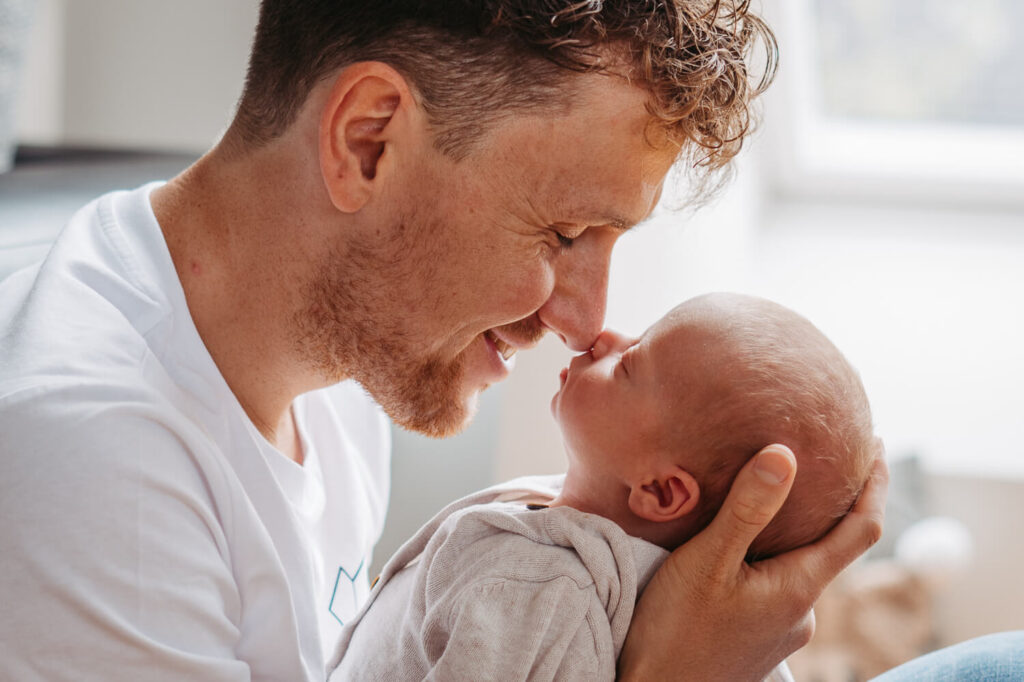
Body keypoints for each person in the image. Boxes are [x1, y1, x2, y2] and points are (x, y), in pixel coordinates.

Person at [1, 1, 1019, 680]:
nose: (583, 319)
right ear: (369, 142)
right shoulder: (96, 476)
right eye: (563, 233)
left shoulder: (335, 354)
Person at [328, 293, 876, 680]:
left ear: (661, 492)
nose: (603, 336)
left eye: (631, 363)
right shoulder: (570, 527)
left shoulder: (539, 595)